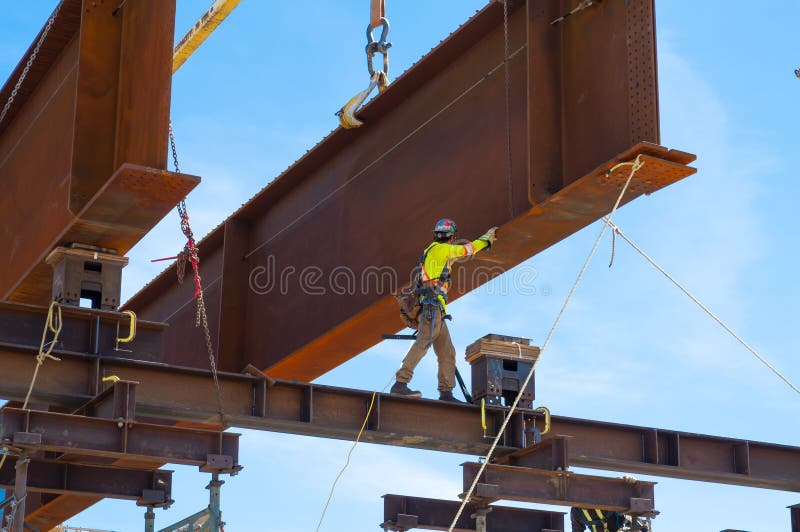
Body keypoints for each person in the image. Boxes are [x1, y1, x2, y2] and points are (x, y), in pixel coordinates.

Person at [390, 219, 497, 402]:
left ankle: (446, 393)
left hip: (436, 309)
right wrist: (486, 239)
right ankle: (400, 383)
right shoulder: (442, 250)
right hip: (432, 309)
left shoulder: (433, 251)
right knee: (422, 343)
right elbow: (466, 250)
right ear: (452, 237)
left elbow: (455, 257)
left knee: (447, 351)